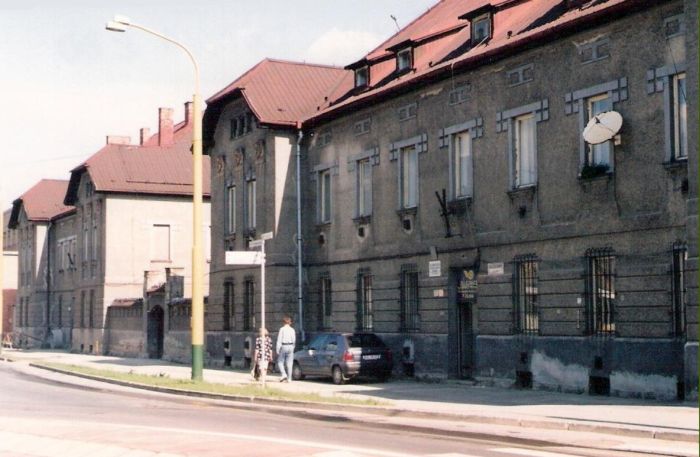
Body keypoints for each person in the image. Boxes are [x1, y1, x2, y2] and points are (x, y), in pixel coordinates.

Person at [276, 316, 296, 382]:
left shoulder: (282, 329)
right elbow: (294, 339)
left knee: (280, 362)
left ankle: (284, 374)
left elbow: (279, 339)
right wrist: (293, 347)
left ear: (284, 322)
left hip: (284, 345)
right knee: (290, 363)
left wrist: (277, 349)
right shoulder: (292, 330)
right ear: (290, 322)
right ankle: (289, 378)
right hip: (290, 346)